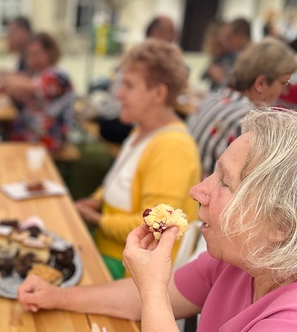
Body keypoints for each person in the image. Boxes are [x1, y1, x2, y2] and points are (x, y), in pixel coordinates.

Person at [19, 107, 297, 332]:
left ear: (280, 225)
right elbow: (150, 297)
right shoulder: (243, 260)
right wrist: (58, 297)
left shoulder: (291, 325)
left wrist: (151, 290)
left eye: (224, 182)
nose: (198, 190)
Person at [75, 39, 200, 278]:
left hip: (129, 273)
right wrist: (97, 201)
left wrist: (98, 220)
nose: (119, 94)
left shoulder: (173, 147)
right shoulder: (141, 130)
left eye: (129, 86)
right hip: (110, 253)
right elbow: (119, 179)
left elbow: (154, 227)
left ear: (159, 93)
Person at [187, 37, 297, 177]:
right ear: (260, 83)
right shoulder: (247, 121)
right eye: (283, 83)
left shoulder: (215, 97)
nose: (285, 91)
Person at [96, 15, 178, 144]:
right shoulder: (145, 62)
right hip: (113, 121)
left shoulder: (141, 59)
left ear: (159, 93)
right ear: (155, 33)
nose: (173, 38)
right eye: (171, 33)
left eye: (129, 86)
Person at [2, 31, 75, 154]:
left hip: (51, 135)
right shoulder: (39, 73)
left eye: (36, 54)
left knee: (3, 138)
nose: (32, 59)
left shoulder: (58, 75)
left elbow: (36, 87)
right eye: (30, 54)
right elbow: (23, 94)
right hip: (33, 130)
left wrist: (5, 79)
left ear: (50, 52)